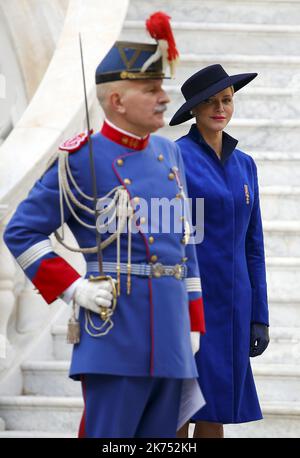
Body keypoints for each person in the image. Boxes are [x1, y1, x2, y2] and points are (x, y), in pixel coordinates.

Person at [3, 13, 206, 439]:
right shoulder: (82, 157)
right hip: (114, 331)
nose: (164, 98)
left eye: (162, 87)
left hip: (170, 334)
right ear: (116, 100)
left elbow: (185, 242)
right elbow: (20, 231)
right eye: (151, 89)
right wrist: (74, 287)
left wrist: (193, 322)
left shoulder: (170, 155)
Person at [170, 64, 270, 438]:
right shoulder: (175, 158)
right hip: (188, 302)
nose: (220, 108)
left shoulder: (246, 166)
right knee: (179, 404)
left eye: (226, 100)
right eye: (210, 102)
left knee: (217, 408)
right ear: (194, 110)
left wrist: (258, 315)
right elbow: (168, 239)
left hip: (233, 306)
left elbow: (254, 245)